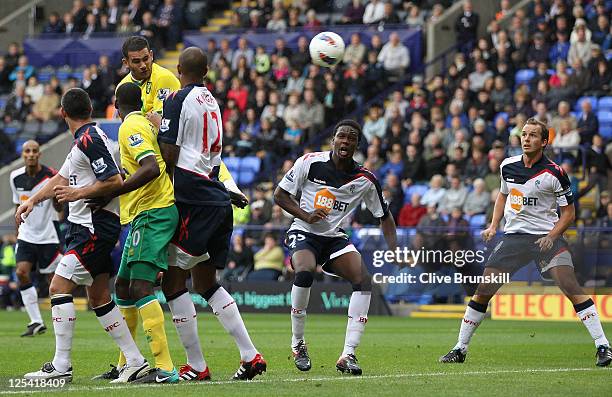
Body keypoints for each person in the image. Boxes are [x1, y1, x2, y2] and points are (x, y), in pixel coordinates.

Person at [439, 118, 611, 367]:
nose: (526, 139)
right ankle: (459, 348)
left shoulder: (555, 173)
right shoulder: (507, 166)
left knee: (569, 284)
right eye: (524, 134)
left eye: (532, 135)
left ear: (544, 141)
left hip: (546, 238)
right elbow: (502, 195)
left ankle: (603, 345)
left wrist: (551, 237)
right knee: (483, 291)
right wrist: (493, 225)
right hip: (514, 238)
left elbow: (569, 214)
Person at [150, 47, 266, 381]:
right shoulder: (211, 101)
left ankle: (197, 365)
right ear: (207, 70)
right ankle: (250, 355)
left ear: (179, 68)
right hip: (216, 199)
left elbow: (169, 153)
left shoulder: (176, 99)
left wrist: (158, 127)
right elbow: (214, 160)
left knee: (172, 282)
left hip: (194, 200)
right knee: (205, 282)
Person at [18, 88, 149, 382]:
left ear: (62, 113)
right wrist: (31, 201)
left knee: (57, 287)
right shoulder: (84, 141)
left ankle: (61, 365)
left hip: (93, 226)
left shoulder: (90, 139)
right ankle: (135, 360)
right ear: (90, 109)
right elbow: (59, 179)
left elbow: (113, 180)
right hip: (85, 226)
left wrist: (77, 193)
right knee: (99, 296)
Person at [274, 119, 397, 375]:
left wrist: (395, 249)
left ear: (357, 145)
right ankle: (298, 343)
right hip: (303, 230)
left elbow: (384, 216)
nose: (346, 141)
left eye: (351, 138)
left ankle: (348, 354)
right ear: (333, 140)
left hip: (333, 237)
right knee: (305, 271)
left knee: (363, 280)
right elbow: (280, 195)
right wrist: (306, 216)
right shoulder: (309, 162)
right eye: (342, 136)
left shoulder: (365, 179)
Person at [107, 82, 180, 383]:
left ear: (115, 104)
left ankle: (164, 368)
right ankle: (129, 363)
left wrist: (118, 188)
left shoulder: (129, 127)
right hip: (143, 213)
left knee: (139, 287)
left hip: (153, 211)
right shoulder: (145, 123)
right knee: (123, 286)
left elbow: (150, 167)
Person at [10, 140, 63, 337]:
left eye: (34, 151)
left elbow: (59, 209)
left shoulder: (52, 175)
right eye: (27, 151)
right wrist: (18, 232)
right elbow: (18, 206)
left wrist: (58, 200)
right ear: (23, 155)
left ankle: (60, 320)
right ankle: (36, 321)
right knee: (22, 272)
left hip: (48, 234)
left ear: (39, 154)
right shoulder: (15, 178)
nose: (31, 154)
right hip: (27, 235)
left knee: (54, 281)